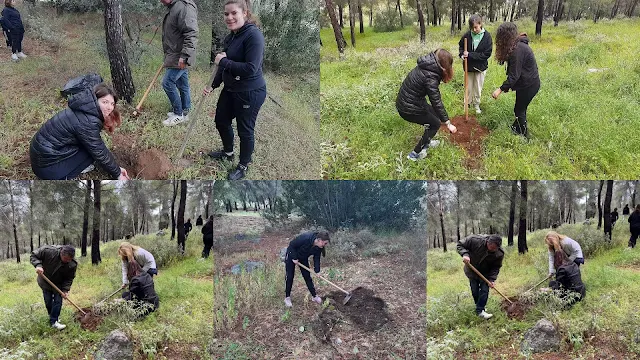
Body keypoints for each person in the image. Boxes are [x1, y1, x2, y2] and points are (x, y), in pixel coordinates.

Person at [204, 0, 267, 181]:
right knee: (221, 120)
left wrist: (223, 61)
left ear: (245, 13)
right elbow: (223, 67)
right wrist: (212, 85)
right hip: (231, 88)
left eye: (234, 13)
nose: (229, 17)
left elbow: (251, 68)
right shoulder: (231, 36)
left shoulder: (253, 36)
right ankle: (228, 152)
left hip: (250, 92)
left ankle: (243, 165)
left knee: (245, 130)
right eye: (226, 14)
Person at [30, 84, 130, 180]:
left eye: (112, 104)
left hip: (41, 158)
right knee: (91, 153)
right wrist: (118, 173)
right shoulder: (88, 121)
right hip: (47, 168)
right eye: (105, 102)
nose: (109, 107)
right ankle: (66, 174)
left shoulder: (82, 109)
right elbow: (99, 152)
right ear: (95, 100)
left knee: (90, 146)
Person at [396, 48, 458, 161]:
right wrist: (448, 123)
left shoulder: (428, 65)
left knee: (434, 115)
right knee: (435, 123)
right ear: (444, 66)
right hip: (407, 108)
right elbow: (436, 101)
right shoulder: (430, 76)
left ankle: (427, 142)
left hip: (412, 102)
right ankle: (414, 154)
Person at [492, 23, 540, 138]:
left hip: (529, 85)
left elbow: (514, 76)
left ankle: (524, 136)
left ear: (504, 37)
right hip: (526, 84)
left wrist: (500, 89)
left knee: (520, 110)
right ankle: (516, 128)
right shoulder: (516, 46)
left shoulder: (518, 50)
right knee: (519, 108)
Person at [160, 0, 198, 127]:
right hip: (175, 54)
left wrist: (185, 56)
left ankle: (178, 114)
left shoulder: (184, 7)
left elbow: (191, 33)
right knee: (182, 83)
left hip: (180, 55)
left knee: (167, 83)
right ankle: (185, 112)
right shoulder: (174, 7)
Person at [30, 245, 77, 330]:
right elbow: (34, 255)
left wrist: (65, 290)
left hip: (59, 284)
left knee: (57, 301)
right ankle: (53, 316)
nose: (68, 261)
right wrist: (38, 265)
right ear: (61, 254)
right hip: (45, 281)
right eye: (66, 259)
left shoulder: (72, 264)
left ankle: (54, 322)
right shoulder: (48, 251)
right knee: (48, 301)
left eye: (69, 259)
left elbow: (69, 278)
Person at [457, 234, 504, 320]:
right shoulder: (474, 240)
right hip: (471, 270)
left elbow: (496, 267)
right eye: (491, 247)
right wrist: (465, 254)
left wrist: (492, 279)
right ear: (487, 242)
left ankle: (480, 311)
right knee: (475, 291)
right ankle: (479, 306)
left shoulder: (499, 253)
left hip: (486, 274)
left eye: (494, 249)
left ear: (498, 247)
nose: (492, 249)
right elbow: (460, 245)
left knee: (484, 290)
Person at [283, 231, 330, 308]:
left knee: (307, 276)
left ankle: (314, 296)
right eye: (325, 243)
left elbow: (316, 258)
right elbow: (291, 245)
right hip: (292, 254)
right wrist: (294, 257)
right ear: (319, 240)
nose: (325, 245)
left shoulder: (319, 247)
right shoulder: (306, 238)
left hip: (303, 257)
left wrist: (317, 271)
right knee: (290, 276)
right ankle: (287, 297)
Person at [458, 14, 492, 115]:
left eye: (476, 27)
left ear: (480, 24)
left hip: (480, 68)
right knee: (468, 87)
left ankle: (476, 104)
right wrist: (462, 55)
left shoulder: (487, 37)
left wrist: (470, 55)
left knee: (477, 87)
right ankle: (467, 104)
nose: (474, 30)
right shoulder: (467, 35)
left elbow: (486, 54)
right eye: (472, 28)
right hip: (468, 67)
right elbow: (460, 46)